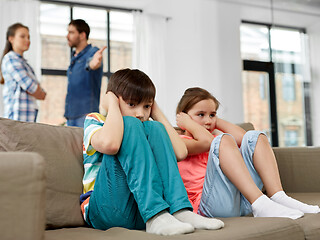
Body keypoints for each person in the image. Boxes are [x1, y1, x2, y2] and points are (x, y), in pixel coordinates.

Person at [80, 69, 224, 235]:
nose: (140, 113)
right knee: (130, 124)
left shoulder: (146, 127)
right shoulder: (96, 120)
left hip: (139, 212)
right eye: (132, 104)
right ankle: (155, 215)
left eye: (146, 106)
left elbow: (180, 152)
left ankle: (180, 211)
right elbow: (110, 145)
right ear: (112, 98)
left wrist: (156, 113)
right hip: (105, 211)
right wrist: (112, 105)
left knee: (154, 127)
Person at [175, 87, 320, 219]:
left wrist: (214, 121)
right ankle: (260, 203)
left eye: (212, 115)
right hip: (210, 207)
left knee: (255, 137)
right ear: (183, 117)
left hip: (241, 202)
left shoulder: (215, 138)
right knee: (222, 140)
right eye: (201, 114)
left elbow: (244, 138)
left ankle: (277, 196)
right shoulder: (179, 142)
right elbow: (206, 141)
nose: (208, 120)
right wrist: (187, 123)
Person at [0, 22, 46, 122]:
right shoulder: (10, 59)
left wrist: (39, 91)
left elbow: (40, 92)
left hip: (27, 118)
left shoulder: (24, 64)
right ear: (11, 39)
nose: (27, 40)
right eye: (22, 36)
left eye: (28, 37)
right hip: (16, 118)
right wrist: (38, 91)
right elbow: (31, 86)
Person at [65, 19, 106, 128]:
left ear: (82, 35)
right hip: (71, 115)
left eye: (71, 32)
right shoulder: (74, 57)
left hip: (85, 114)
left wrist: (94, 63)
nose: (67, 36)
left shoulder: (93, 52)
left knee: (84, 145)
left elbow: (91, 63)